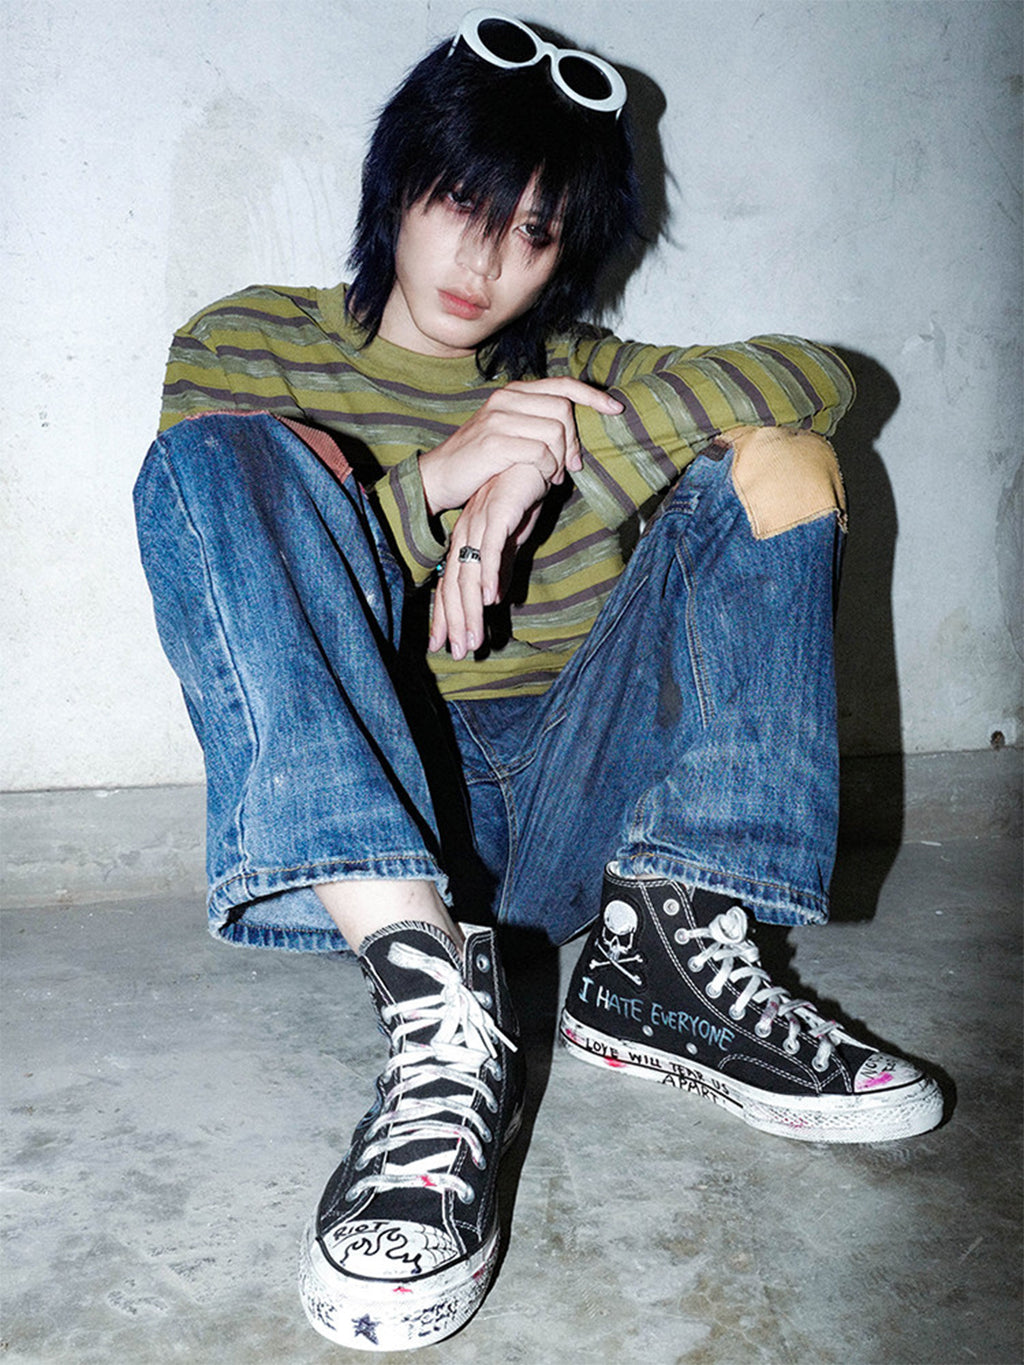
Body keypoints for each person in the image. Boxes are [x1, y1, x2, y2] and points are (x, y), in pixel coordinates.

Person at [135, 10, 943, 1353]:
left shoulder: (574, 377)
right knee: (215, 462)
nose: (487, 262)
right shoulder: (250, 340)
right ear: (397, 183)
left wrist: (549, 465)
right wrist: (441, 483)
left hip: (578, 790)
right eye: (464, 204)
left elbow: (819, 378)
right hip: (394, 814)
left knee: (779, 460)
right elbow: (229, 552)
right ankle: (430, 1002)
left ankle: (666, 953)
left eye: (535, 232)